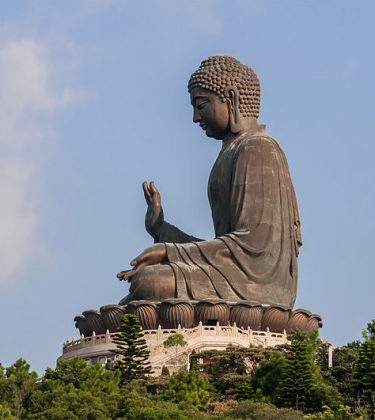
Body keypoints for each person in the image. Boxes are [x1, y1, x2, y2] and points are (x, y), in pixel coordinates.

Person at [118, 55, 302, 309]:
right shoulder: (232, 151)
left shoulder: (257, 149)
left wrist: (170, 251)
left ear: (231, 97)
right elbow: (227, 249)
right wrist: (162, 230)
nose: (195, 117)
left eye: (201, 104)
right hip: (231, 274)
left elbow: (252, 248)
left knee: (149, 283)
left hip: (257, 285)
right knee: (141, 288)